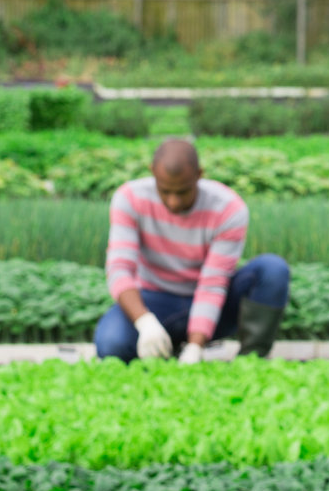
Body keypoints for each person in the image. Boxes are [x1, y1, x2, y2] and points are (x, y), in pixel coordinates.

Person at [94, 138, 290, 363]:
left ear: (199, 175)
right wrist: (144, 322)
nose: (174, 202)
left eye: (183, 192)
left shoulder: (227, 208)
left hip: (217, 304)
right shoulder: (129, 199)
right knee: (111, 344)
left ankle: (250, 362)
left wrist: (196, 347)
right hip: (155, 300)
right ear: (152, 174)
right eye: (165, 191)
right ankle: (163, 344)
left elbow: (213, 283)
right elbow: (120, 269)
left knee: (272, 270)